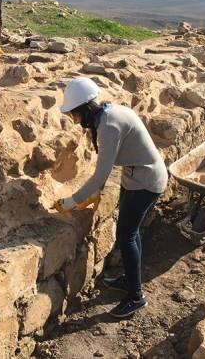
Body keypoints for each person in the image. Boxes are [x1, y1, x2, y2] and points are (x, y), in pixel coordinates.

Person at [53, 77, 168, 318]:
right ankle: (130, 279)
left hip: (147, 182)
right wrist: (93, 195)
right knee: (130, 233)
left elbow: (100, 174)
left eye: (74, 113)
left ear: (85, 108)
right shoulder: (106, 114)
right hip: (136, 177)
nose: (73, 119)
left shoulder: (108, 126)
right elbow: (103, 173)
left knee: (127, 236)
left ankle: (136, 297)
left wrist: (71, 202)